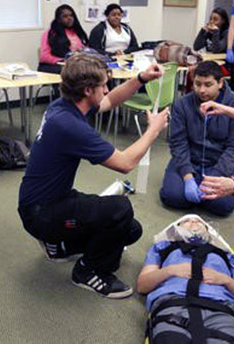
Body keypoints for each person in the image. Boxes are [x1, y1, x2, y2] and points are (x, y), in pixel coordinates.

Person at [18, 53, 169, 298]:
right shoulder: (70, 126)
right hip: (41, 214)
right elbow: (126, 163)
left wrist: (140, 79)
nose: (107, 89)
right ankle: (88, 271)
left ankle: (60, 246)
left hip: (47, 203)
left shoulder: (64, 105)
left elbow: (109, 101)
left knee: (130, 230)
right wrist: (153, 130)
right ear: (88, 90)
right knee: (120, 209)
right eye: (103, 85)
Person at [137, 215, 234, 343]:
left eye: (199, 221)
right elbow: (142, 286)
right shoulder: (163, 247)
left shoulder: (226, 255)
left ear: (208, 229)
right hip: (175, 301)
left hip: (221, 307)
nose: (193, 222)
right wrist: (170, 271)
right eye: (186, 221)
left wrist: (226, 280)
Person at [160, 61, 234, 216]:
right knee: (172, 197)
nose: (202, 90)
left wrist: (215, 177)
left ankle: (204, 190)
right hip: (190, 158)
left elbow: (232, 148)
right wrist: (187, 176)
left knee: (222, 206)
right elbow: (178, 143)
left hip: (218, 162)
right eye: (197, 84)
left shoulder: (231, 106)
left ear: (220, 83)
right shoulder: (182, 104)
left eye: (208, 84)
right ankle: (192, 184)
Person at [38, 4, 89, 75]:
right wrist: (63, 60)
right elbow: (44, 57)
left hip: (76, 64)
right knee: (77, 72)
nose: (69, 18)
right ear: (58, 19)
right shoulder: (51, 33)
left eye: (71, 15)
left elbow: (85, 49)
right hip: (55, 66)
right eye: (65, 16)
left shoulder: (78, 32)